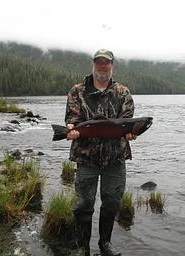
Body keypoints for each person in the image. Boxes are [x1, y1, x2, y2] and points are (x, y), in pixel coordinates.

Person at [65, 49, 136, 256]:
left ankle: (105, 244)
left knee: (112, 202)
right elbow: (73, 119)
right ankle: (82, 247)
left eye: (106, 63)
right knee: (83, 203)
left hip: (115, 159)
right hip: (86, 158)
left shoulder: (123, 93)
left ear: (112, 65)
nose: (102, 66)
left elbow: (127, 121)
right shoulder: (77, 92)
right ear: (93, 64)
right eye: (99, 62)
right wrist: (70, 130)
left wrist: (130, 134)